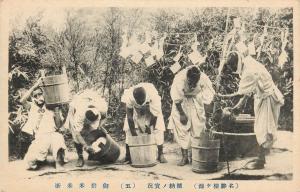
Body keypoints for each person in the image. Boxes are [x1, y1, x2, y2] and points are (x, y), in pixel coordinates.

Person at [218, 45, 284, 169]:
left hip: (268, 98)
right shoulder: (246, 61)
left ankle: (261, 160)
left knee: (264, 129)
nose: (232, 70)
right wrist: (236, 107)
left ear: (237, 63)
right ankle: (260, 157)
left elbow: (241, 94)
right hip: (261, 97)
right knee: (260, 128)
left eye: (232, 67)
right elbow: (248, 92)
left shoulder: (249, 70)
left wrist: (222, 96)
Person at [168, 65, 215, 166]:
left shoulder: (203, 78)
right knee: (182, 129)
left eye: (195, 82)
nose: (193, 85)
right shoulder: (180, 78)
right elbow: (176, 98)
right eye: (191, 82)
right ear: (187, 77)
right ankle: (185, 157)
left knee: (198, 127)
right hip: (181, 103)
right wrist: (182, 114)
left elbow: (209, 96)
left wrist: (208, 116)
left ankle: (195, 155)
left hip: (196, 102)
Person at [20, 78, 67, 170]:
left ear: (44, 94)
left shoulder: (51, 106)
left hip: (53, 134)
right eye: (35, 95)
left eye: (40, 94)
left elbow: (58, 126)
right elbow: (22, 101)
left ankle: (58, 163)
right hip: (40, 136)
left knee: (58, 140)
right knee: (30, 163)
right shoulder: (32, 107)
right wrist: (35, 86)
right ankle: (40, 160)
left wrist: (56, 110)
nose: (38, 97)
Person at [66, 90, 118, 167]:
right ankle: (80, 156)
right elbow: (77, 134)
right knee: (76, 137)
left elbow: (104, 117)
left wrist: (100, 126)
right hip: (76, 105)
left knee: (93, 132)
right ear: (86, 119)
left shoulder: (102, 107)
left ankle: (93, 152)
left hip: (90, 97)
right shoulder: (79, 115)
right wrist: (86, 146)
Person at [121, 83, 168, 164]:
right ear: (134, 98)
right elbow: (129, 117)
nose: (140, 103)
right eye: (138, 101)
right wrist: (134, 134)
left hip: (151, 109)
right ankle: (128, 155)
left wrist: (149, 126)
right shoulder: (129, 97)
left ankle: (160, 154)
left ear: (145, 96)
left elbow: (155, 115)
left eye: (141, 101)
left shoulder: (153, 95)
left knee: (158, 128)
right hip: (136, 111)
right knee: (128, 129)